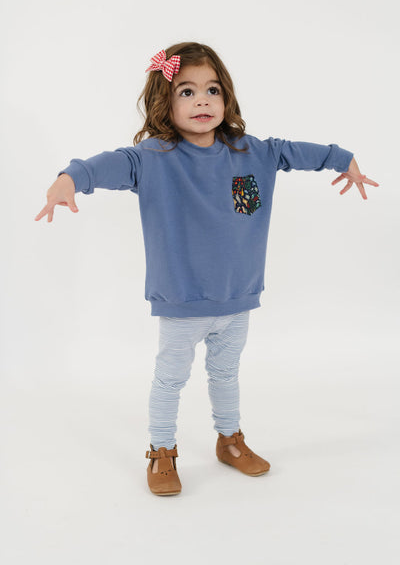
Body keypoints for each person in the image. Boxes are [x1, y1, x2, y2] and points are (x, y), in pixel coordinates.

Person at [35, 42, 379, 497]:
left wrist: (343, 159)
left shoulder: (252, 152)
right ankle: (161, 450)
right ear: (164, 101)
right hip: (182, 301)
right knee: (170, 379)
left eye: (212, 90)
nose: (202, 100)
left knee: (226, 374)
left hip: (238, 297)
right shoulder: (152, 158)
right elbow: (104, 165)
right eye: (187, 91)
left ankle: (229, 440)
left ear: (226, 97)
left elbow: (297, 152)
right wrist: (68, 179)